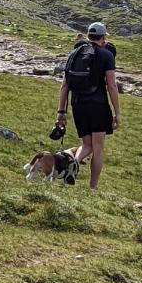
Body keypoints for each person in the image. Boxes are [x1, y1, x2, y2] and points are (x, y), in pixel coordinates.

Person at [55, 21, 120, 190]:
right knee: (98, 148)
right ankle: (92, 187)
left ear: (89, 35)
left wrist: (61, 112)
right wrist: (117, 112)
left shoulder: (74, 53)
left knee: (87, 144)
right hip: (98, 104)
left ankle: (73, 163)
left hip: (78, 104)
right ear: (103, 38)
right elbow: (111, 86)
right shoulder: (107, 55)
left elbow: (64, 86)